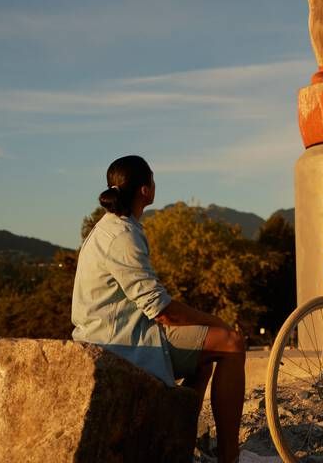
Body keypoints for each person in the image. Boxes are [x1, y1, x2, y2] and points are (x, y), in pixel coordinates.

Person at [71, 155, 247, 463]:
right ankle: (230, 456)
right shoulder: (122, 235)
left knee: (203, 359)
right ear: (144, 190)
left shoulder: (112, 228)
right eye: (152, 179)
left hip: (121, 334)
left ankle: (180, 441)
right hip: (123, 343)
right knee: (231, 344)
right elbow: (161, 310)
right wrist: (218, 323)